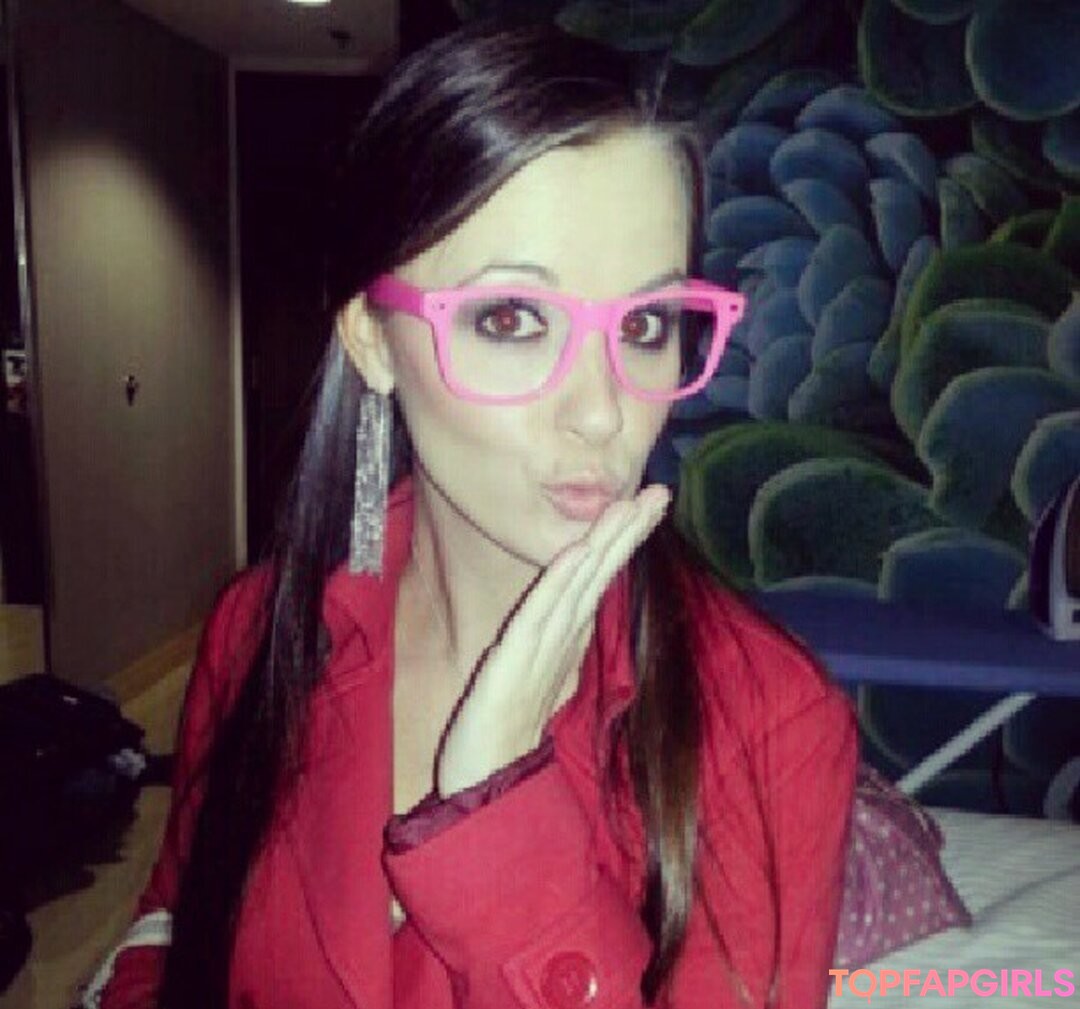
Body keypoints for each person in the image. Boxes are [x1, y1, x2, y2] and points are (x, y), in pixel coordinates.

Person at [86, 17, 857, 1009]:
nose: (602, 412)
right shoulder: (257, 632)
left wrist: (502, 819)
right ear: (373, 341)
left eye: (647, 322)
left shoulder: (767, 725)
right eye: (512, 318)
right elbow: (174, 920)